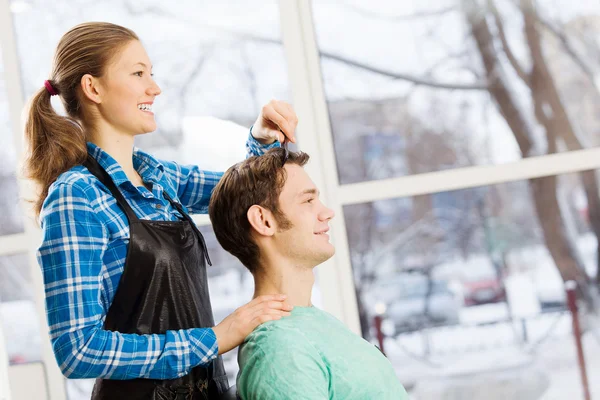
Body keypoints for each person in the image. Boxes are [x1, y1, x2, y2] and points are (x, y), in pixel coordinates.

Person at [24, 22, 297, 400]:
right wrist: (216, 338)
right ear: (93, 88)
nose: (155, 88)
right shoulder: (76, 196)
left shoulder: (157, 176)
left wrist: (261, 138)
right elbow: (78, 350)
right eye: (138, 73)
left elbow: (242, 193)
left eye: (151, 74)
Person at [208, 148, 409, 399]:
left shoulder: (311, 322)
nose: (327, 212)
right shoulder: (279, 347)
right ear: (263, 220)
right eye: (308, 201)